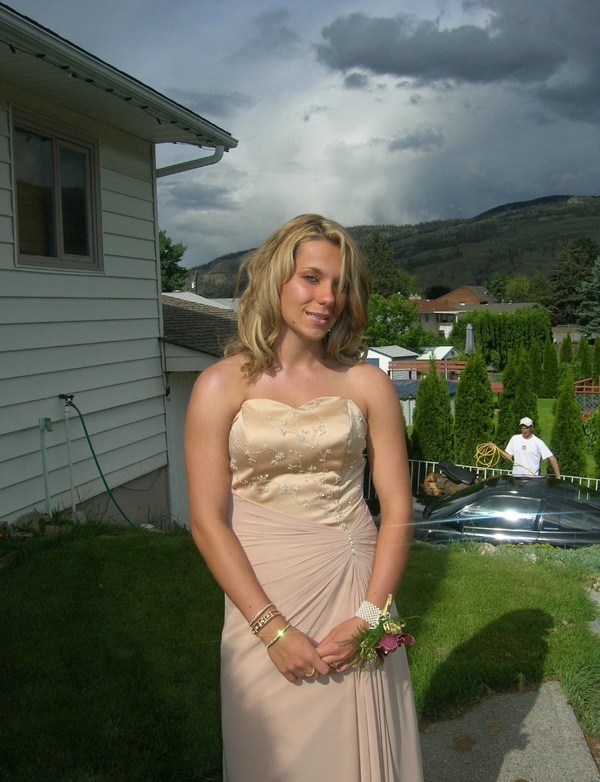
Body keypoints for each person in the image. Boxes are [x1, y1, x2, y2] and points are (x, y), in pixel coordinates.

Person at [184, 214, 423, 782]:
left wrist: (370, 617)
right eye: (311, 278)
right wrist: (271, 629)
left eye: (339, 284)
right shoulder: (219, 385)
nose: (328, 297)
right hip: (260, 598)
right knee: (271, 755)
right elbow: (207, 521)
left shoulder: (367, 384)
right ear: (275, 280)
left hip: (356, 591)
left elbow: (397, 510)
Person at [492, 417, 561, 478]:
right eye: (523, 428)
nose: (524, 431)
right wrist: (496, 449)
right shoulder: (515, 439)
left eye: (527, 428)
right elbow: (508, 457)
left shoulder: (538, 442)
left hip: (532, 480)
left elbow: (552, 458)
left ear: (531, 427)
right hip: (516, 478)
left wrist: (558, 477)